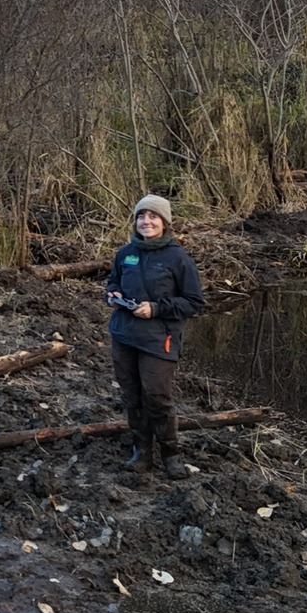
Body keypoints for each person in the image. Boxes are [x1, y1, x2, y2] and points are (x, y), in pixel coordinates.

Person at [104, 194, 205, 478]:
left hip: (159, 339)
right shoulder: (126, 253)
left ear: (164, 222)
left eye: (153, 217)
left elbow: (194, 301)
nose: (146, 222)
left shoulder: (178, 258)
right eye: (141, 216)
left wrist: (157, 308)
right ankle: (141, 452)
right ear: (135, 222)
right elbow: (113, 280)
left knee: (157, 396)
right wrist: (112, 294)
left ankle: (171, 455)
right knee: (132, 395)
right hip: (124, 335)